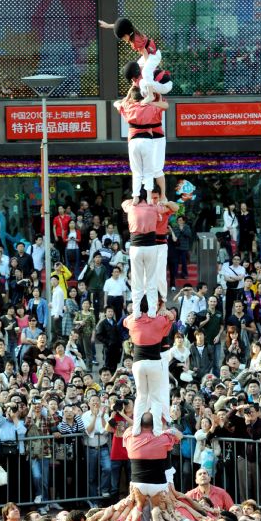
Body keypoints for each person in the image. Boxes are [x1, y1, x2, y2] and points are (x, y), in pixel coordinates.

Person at [124, 297, 173, 436]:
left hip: (138, 363)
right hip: (154, 362)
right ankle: (157, 430)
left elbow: (124, 321)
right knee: (155, 397)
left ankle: (136, 428)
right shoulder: (159, 320)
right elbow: (172, 317)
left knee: (141, 396)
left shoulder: (133, 320)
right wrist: (163, 309)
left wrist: (135, 312)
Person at [114, 86, 168, 203]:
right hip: (147, 140)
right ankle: (149, 197)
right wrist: (150, 96)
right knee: (150, 171)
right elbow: (164, 105)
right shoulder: (150, 106)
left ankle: (135, 197)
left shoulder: (128, 106)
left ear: (132, 99)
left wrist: (129, 95)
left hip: (134, 141)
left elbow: (117, 103)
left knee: (137, 171)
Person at [123, 412, 182, 510]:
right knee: (158, 514)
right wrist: (168, 430)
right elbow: (179, 436)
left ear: (139, 423)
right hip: (158, 484)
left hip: (138, 484)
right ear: (155, 424)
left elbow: (129, 430)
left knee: (139, 513)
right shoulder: (164, 438)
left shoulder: (130, 436)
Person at [100, 17, 164, 105]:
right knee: (136, 68)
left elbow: (145, 53)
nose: (123, 40)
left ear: (126, 35)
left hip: (153, 56)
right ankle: (129, 95)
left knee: (145, 71)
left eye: (122, 38)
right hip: (151, 54)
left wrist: (147, 68)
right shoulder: (131, 31)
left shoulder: (135, 41)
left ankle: (150, 95)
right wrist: (107, 26)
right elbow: (119, 26)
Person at [122, 189, 163, 319]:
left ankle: (136, 312)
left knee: (137, 282)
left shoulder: (130, 206)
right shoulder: (154, 207)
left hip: (136, 247)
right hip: (151, 246)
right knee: (151, 280)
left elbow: (124, 204)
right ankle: (152, 311)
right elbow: (162, 212)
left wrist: (133, 200)